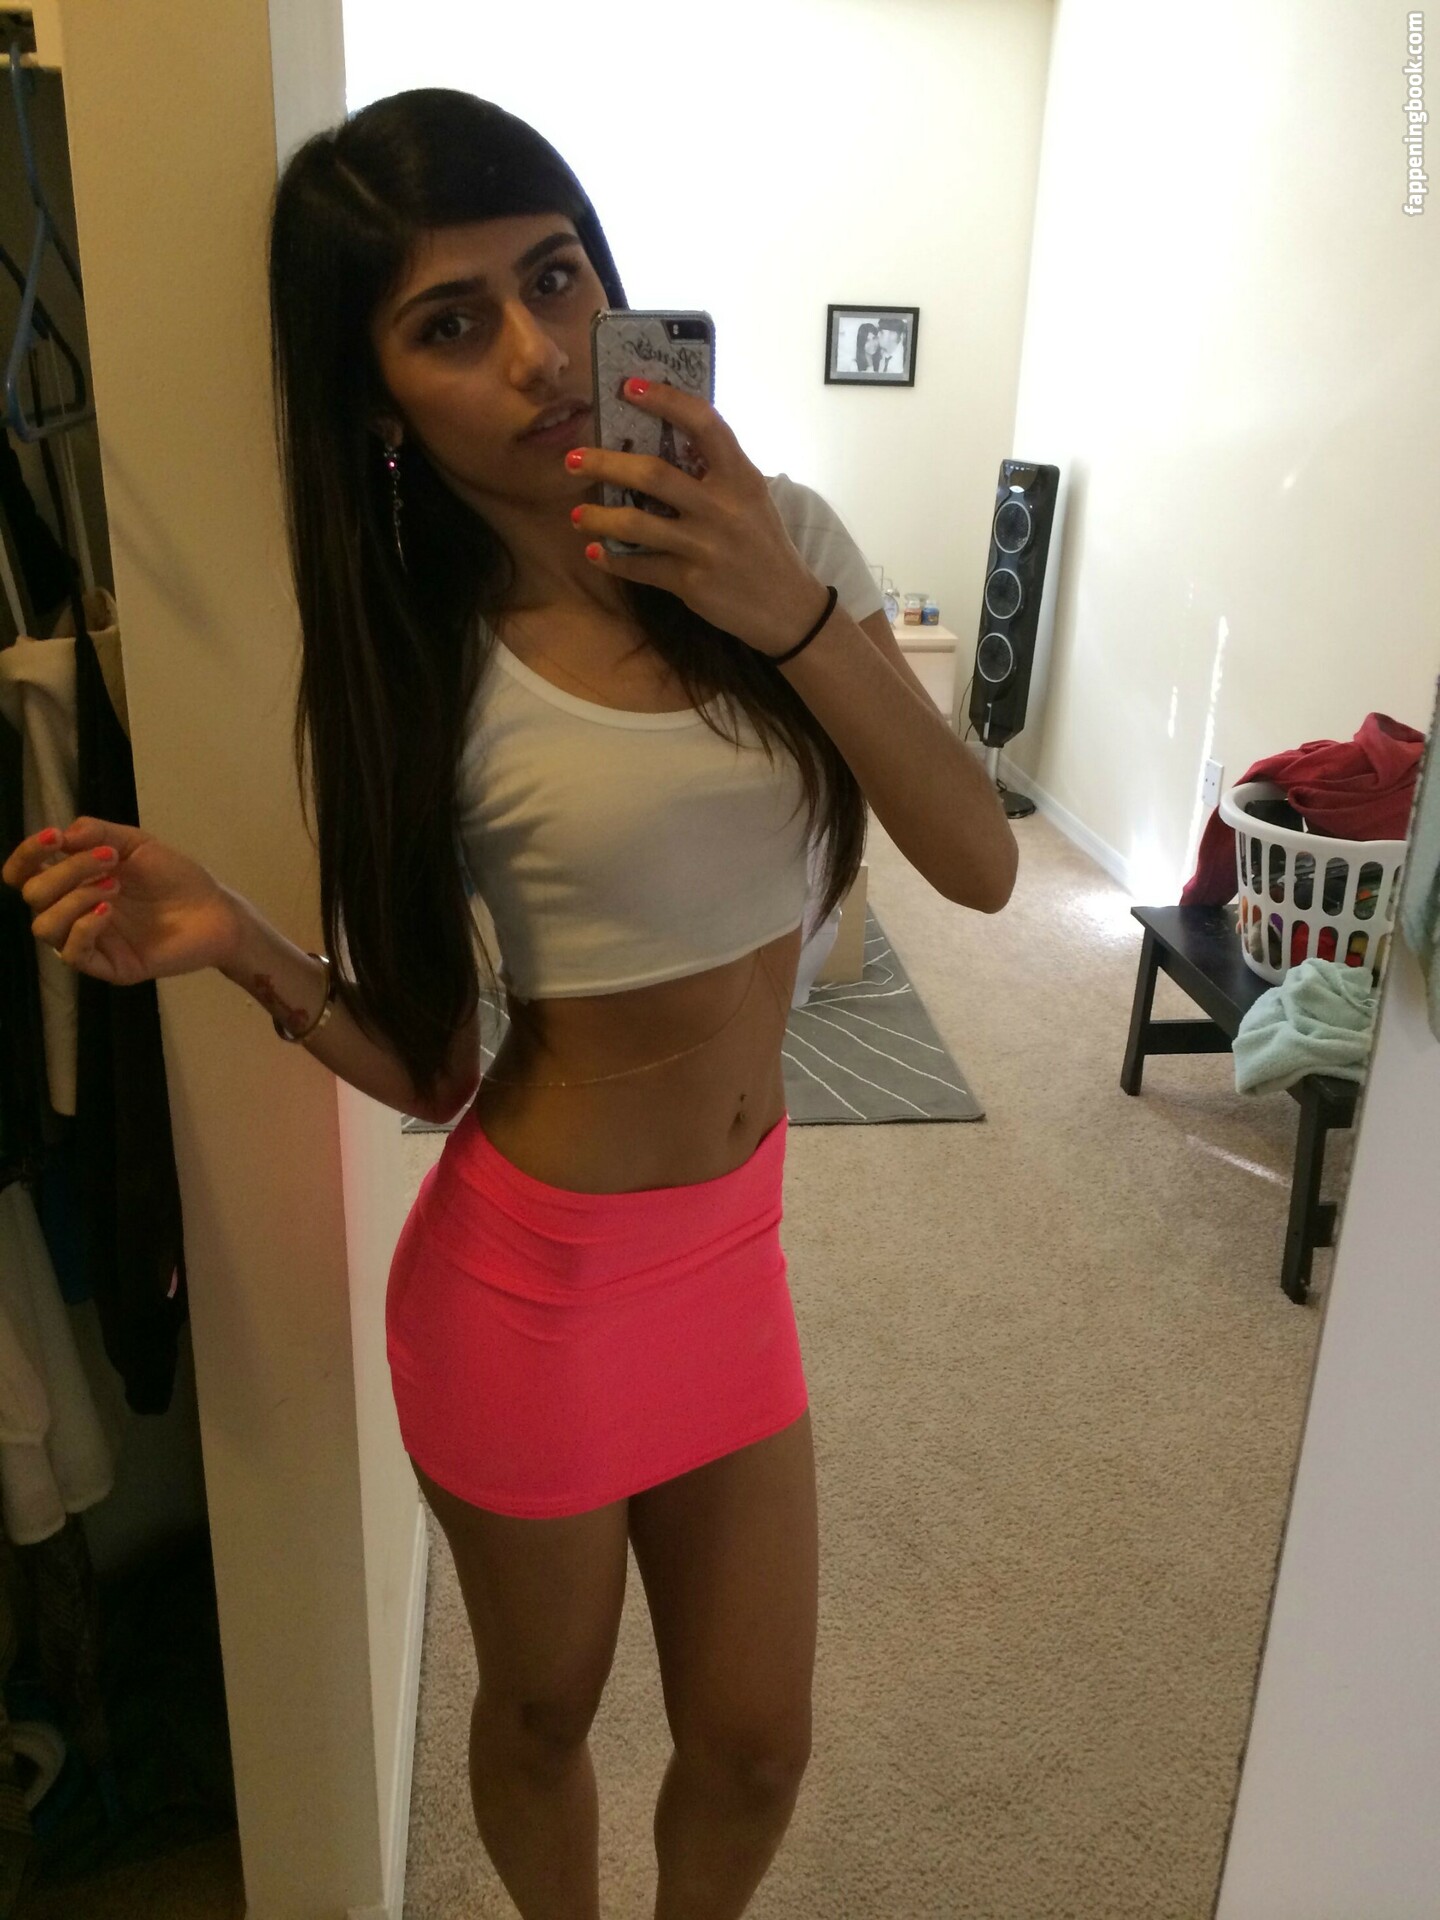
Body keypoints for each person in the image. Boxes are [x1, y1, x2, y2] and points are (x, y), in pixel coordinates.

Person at [2, 90, 1017, 1920]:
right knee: (542, 1712)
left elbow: (982, 864)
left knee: (757, 1744)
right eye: (452, 322)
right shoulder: (416, 662)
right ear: (379, 398)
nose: (541, 354)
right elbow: (438, 1063)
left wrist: (786, 607)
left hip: (737, 1244)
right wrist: (237, 937)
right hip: (529, 1287)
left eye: (555, 277)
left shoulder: (783, 536)